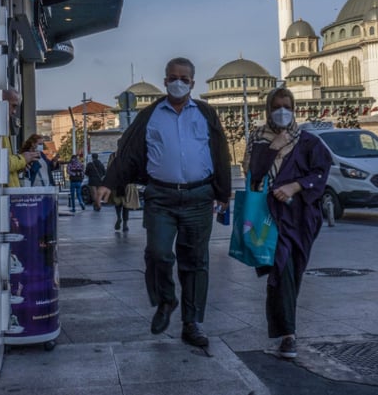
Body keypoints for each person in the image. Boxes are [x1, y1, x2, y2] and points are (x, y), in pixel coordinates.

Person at [95, 57, 231, 348]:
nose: (178, 82)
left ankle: (192, 322)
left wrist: (223, 192)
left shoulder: (206, 114)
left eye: (184, 78)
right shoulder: (151, 114)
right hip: (161, 196)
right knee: (158, 253)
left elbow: (220, 153)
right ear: (165, 80)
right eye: (172, 77)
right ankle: (166, 300)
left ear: (192, 83)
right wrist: (108, 183)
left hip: (199, 196)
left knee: (195, 261)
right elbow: (128, 151)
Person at [243, 87, 331, 359]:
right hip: (269, 216)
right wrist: (272, 148)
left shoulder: (308, 142)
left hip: (301, 218)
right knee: (281, 269)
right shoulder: (258, 140)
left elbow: (321, 173)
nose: (282, 111)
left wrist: (295, 186)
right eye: (277, 106)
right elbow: (253, 175)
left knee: (291, 270)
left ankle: (286, 330)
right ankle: (288, 336)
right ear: (268, 109)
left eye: (287, 106)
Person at [4, 88, 38, 187]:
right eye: (13, 106)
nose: (14, 112)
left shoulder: (4, 127)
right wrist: (22, 159)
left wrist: (20, 166)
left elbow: (6, 166)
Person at [105, 152, 132, 231]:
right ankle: (125, 224)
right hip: (127, 183)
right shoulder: (130, 155)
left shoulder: (113, 155)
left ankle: (119, 217)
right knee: (126, 205)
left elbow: (109, 169)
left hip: (116, 183)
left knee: (117, 203)